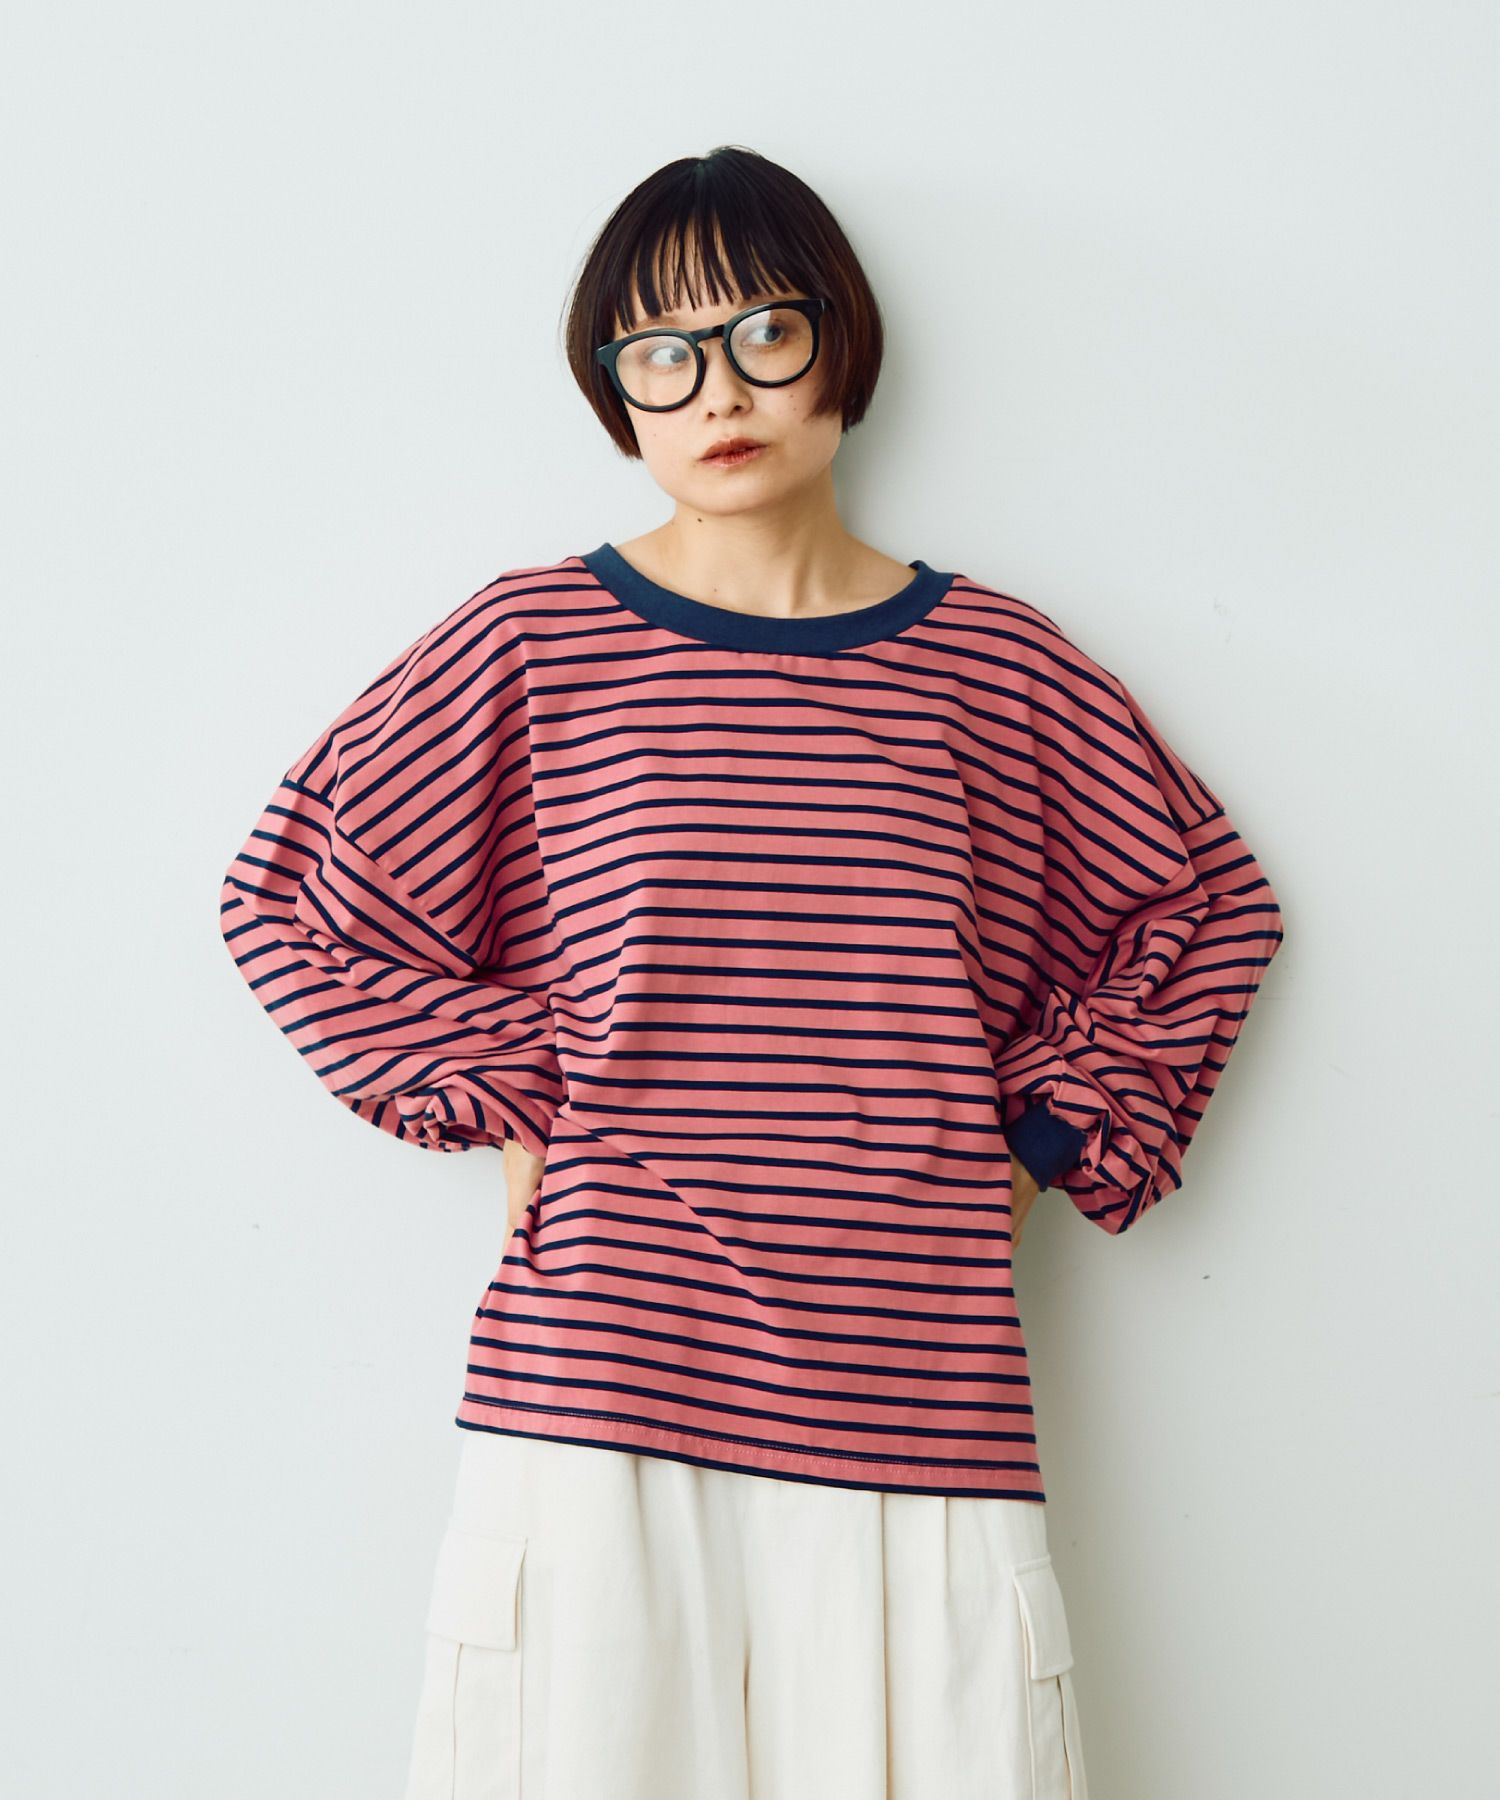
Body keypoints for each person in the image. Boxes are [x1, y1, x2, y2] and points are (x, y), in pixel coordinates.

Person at [218, 144, 1285, 1800]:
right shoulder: (532, 645)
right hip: (602, 1382)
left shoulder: (995, 669)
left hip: (917, 1391)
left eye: (765, 332)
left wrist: (1035, 1140)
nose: (719, 388)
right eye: (662, 352)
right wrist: (516, 1092)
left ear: (841, 343)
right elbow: (295, 898)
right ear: (615, 392)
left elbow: (1201, 910)